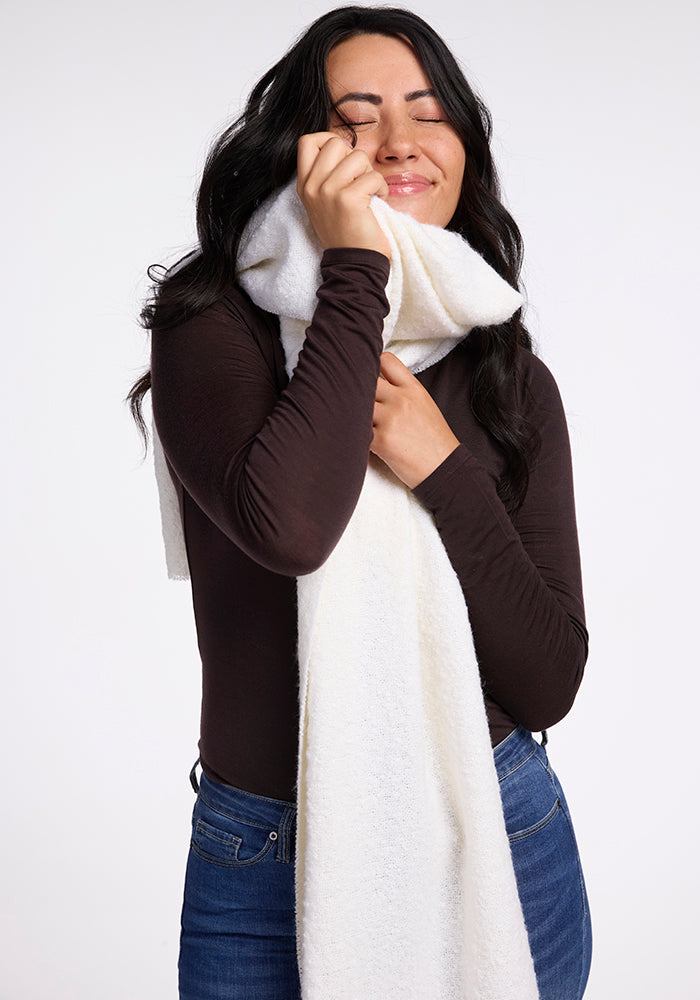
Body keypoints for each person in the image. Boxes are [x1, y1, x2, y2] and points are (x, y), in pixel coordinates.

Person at [130, 7, 592, 999]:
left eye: (429, 113)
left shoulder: (509, 373)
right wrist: (356, 273)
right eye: (356, 116)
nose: (398, 142)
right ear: (298, 149)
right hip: (262, 855)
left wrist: (442, 467)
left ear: (462, 145)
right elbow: (293, 526)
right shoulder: (212, 331)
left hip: (497, 825)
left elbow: (549, 678)